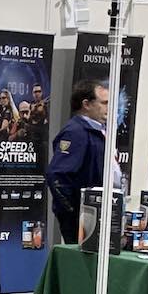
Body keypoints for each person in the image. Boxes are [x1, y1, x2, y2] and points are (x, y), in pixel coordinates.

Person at [45, 79, 116, 243]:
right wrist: (74, 212)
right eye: (104, 103)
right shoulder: (75, 133)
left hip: (100, 212)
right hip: (85, 218)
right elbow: (57, 175)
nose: (109, 108)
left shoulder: (97, 131)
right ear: (87, 104)